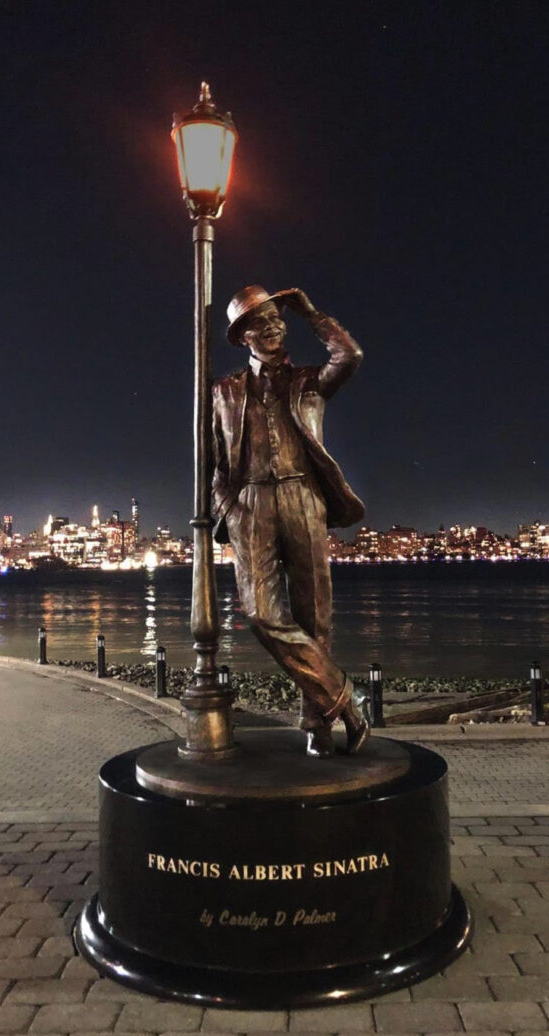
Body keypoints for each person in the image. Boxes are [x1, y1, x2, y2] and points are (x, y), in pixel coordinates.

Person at [212, 284, 370, 758]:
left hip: (304, 497)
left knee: (314, 616)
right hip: (252, 504)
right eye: (261, 322)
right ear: (244, 337)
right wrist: (232, 509)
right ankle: (347, 698)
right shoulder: (224, 391)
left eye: (277, 319)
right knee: (261, 612)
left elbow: (351, 354)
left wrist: (312, 313)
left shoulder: (310, 382)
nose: (274, 326)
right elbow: (216, 464)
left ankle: (317, 726)